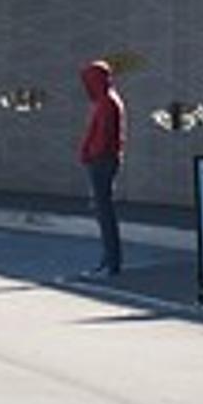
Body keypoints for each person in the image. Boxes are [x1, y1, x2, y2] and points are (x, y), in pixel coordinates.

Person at [76, 58, 126, 278]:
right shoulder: (106, 100)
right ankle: (108, 259)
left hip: (102, 161)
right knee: (102, 210)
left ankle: (111, 261)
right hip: (102, 160)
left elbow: (102, 137)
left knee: (104, 212)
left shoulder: (106, 103)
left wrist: (89, 155)